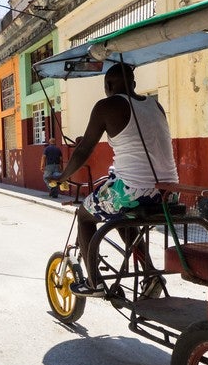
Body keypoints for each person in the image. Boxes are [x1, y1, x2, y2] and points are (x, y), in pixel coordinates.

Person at [55, 62, 178, 297]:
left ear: (108, 85)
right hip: (168, 190)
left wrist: (63, 176)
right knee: (123, 220)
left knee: (84, 215)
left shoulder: (107, 106)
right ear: (133, 83)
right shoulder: (156, 105)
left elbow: (83, 150)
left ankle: (94, 283)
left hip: (134, 189)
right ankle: (150, 274)